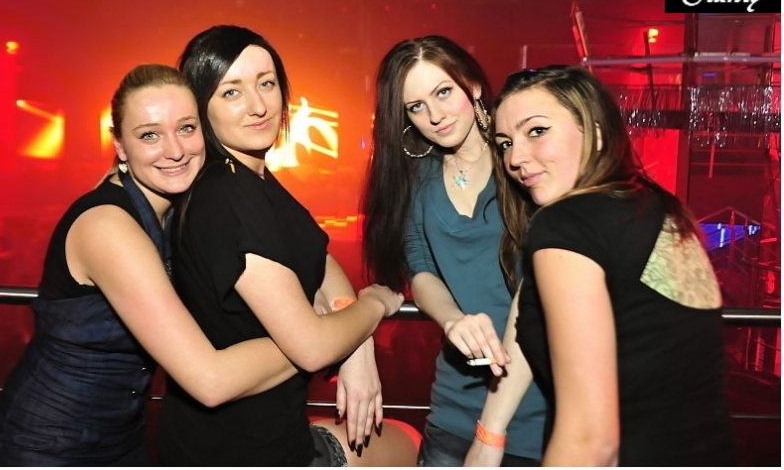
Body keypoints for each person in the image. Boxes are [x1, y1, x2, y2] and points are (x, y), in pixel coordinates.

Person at [0, 64, 307, 466]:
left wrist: (341, 325)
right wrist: (314, 337)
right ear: (120, 146)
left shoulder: (182, 207)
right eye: (150, 135)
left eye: (186, 128)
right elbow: (211, 380)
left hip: (124, 439)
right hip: (45, 448)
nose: (175, 150)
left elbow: (301, 240)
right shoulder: (108, 225)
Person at [156, 25, 416, 467]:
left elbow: (318, 255)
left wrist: (355, 340)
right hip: (245, 451)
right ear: (201, 106)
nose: (258, 105)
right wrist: (374, 304)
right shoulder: (227, 195)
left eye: (267, 83)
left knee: (402, 438)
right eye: (232, 92)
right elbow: (311, 347)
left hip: (259, 434)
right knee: (409, 440)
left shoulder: (252, 179)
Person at [468, 65, 737, 466]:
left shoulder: (566, 222)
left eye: (537, 131)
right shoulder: (656, 207)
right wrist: (490, 434)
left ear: (594, 131)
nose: (515, 158)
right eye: (505, 143)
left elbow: (590, 443)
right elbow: (534, 307)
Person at [360, 35, 546, 466]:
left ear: (473, 86)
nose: (435, 115)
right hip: (453, 407)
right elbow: (420, 268)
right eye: (416, 106)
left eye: (443, 92)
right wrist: (452, 319)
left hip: (537, 404)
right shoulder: (418, 178)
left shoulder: (523, 163)